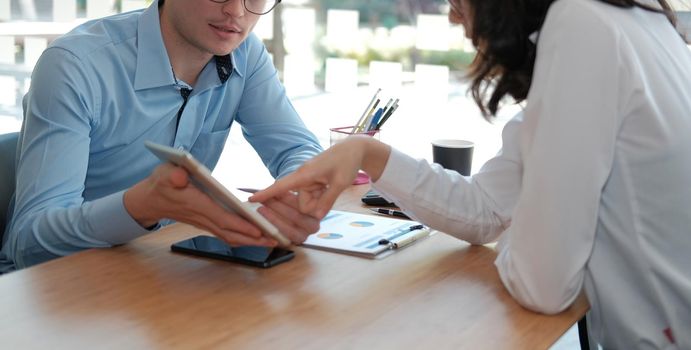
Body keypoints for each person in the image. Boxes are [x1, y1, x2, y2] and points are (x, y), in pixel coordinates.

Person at [251, 0, 691, 347]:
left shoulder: (582, 26)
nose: (451, 13)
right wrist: (366, 152)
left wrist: (526, 231)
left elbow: (542, 284)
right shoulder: (630, 19)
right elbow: (485, 209)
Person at [0, 0, 323, 272]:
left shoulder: (244, 53)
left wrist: (297, 195)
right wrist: (140, 206)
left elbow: (297, 148)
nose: (237, 11)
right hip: (65, 284)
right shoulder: (75, 65)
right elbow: (28, 245)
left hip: (164, 266)